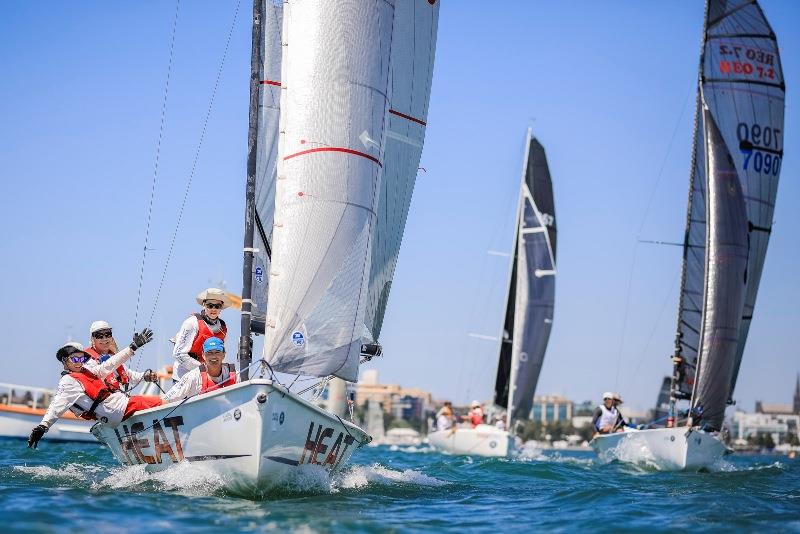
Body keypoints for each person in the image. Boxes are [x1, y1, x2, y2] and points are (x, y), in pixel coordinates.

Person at [27, 330, 161, 448]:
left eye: (82, 358)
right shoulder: (68, 381)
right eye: (74, 359)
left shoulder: (87, 371)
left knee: (158, 402)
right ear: (65, 361)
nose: (79, 362)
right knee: (162, 403)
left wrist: (133, 347)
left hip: (116, 410)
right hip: (117, 409)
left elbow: (109, 364)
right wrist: (43, 427)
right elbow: (57, 405)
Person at [172, 288, 231, 382]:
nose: (213, 309)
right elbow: (178, 354)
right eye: (210, 305)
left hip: (207, 378)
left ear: (221, 307)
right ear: (204, 305)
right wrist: (203, 369)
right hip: (184, 377)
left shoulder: (222, 328)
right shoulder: (191, 323)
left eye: (217, 306)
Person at [84, 320, 157, 391]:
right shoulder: (87, 359)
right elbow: (102, 370)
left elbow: (130, 375)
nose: (105, 339)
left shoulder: (112, 356)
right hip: (104, 401)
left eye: (108, 334)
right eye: (99, 336)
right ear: (92, 339)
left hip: (121, 398)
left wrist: (145, 376)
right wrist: (132, 347)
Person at [163, 337, 237, 402]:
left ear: (223, 354)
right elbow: (167, 399)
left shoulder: (236, 374)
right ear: (203, 355)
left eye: (217, 352)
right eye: (209, 353)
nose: (213, 356)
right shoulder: (192, 376)